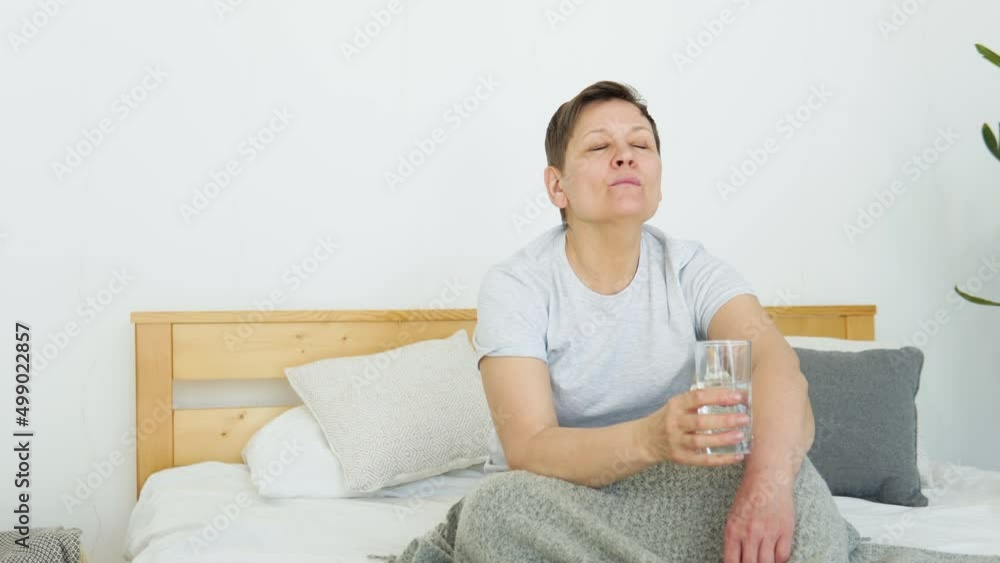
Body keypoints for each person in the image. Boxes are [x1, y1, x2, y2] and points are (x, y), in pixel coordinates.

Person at [472, 80, 815, 563]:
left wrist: (766, 491)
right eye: (599, 147)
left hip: (677, 491)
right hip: (563, 497)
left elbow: (777, 367)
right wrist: (651, 438)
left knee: (793, 475)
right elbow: (528, 446)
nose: (625, 157)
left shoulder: (692, 269)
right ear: (557, 186)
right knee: (495, 509)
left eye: (640, 145)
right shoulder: (516, 285)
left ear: (657, 175)